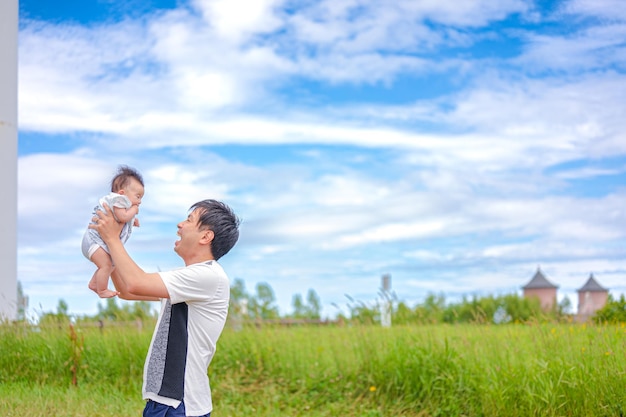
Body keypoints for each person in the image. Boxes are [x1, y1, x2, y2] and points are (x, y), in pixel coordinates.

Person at [90, 198, 240, 417]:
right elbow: (128, 291)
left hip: (181, 404)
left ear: (206, 236)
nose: (180, 225)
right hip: (165, 401)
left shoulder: (208, 276)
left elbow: (135, 282)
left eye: (189, 220)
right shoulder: (189, 278)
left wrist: (112, 238)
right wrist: (109, 253)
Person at [82, 165, 145, 298]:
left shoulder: (119, 204)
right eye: (138, 196)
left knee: (111, 264)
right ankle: (102, 290)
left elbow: (120, 219)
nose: (139, 202)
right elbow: (122, 217)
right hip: (94, 242)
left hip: (97, 243)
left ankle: (95, 284)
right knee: (106, 265)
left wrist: (132, 221)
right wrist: (134, 211)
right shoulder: (118, 201)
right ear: (122, 194)